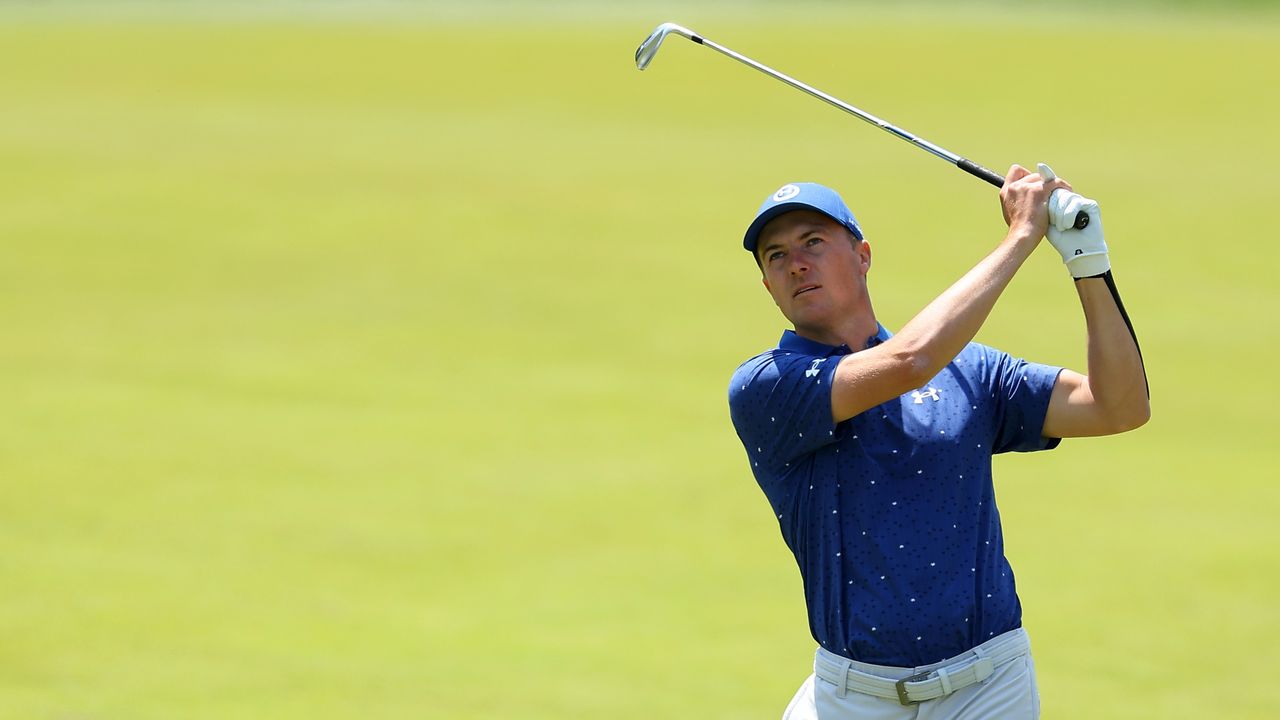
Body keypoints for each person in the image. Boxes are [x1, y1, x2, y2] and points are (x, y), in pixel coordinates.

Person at [727, 166, 1149, 719]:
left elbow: (1118, 406)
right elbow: (910, 361)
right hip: (854, 697)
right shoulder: (766, 385)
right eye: (775, 256)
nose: (796, 263)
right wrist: (1022, 235)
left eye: (813, 242)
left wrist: (1087, 259)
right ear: (767, 285)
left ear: (863, 255)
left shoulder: (969, 371)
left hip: (989, 686)